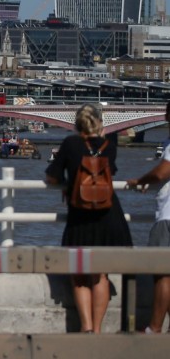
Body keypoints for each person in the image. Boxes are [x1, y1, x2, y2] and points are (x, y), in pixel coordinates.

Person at [45, 103, 132, 334]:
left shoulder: (70, 143)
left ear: (77, 123)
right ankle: (97, 330)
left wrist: (69, 184)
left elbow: (52, 176)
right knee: (100, 273)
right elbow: (109, 172)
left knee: (79, 273)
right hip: (108, 214)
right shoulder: (109, 145)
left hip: (81, 215)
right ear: (99, 123)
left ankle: (85, 327)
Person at [127, 100, 170, 334]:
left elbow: (164, 171)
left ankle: (154, 329)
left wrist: (141, 181)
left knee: (162, 273)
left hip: (168, 216)